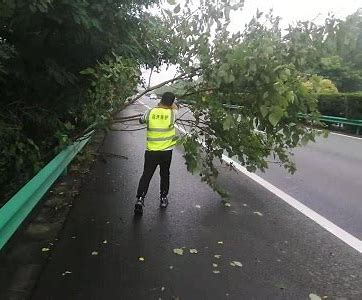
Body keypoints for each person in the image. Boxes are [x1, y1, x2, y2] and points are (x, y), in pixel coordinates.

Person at [134, 92, 178, 215]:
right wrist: (171, 105)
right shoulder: (172, 114)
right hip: (166, 152)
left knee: (146, 175)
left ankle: (140, 199)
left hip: (151, 152)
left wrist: (158, 107)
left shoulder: (150, 112)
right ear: (171, 103)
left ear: (160, 100)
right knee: (164, 174)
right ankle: (163, 198)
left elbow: (140, 120)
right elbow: (175, 108)